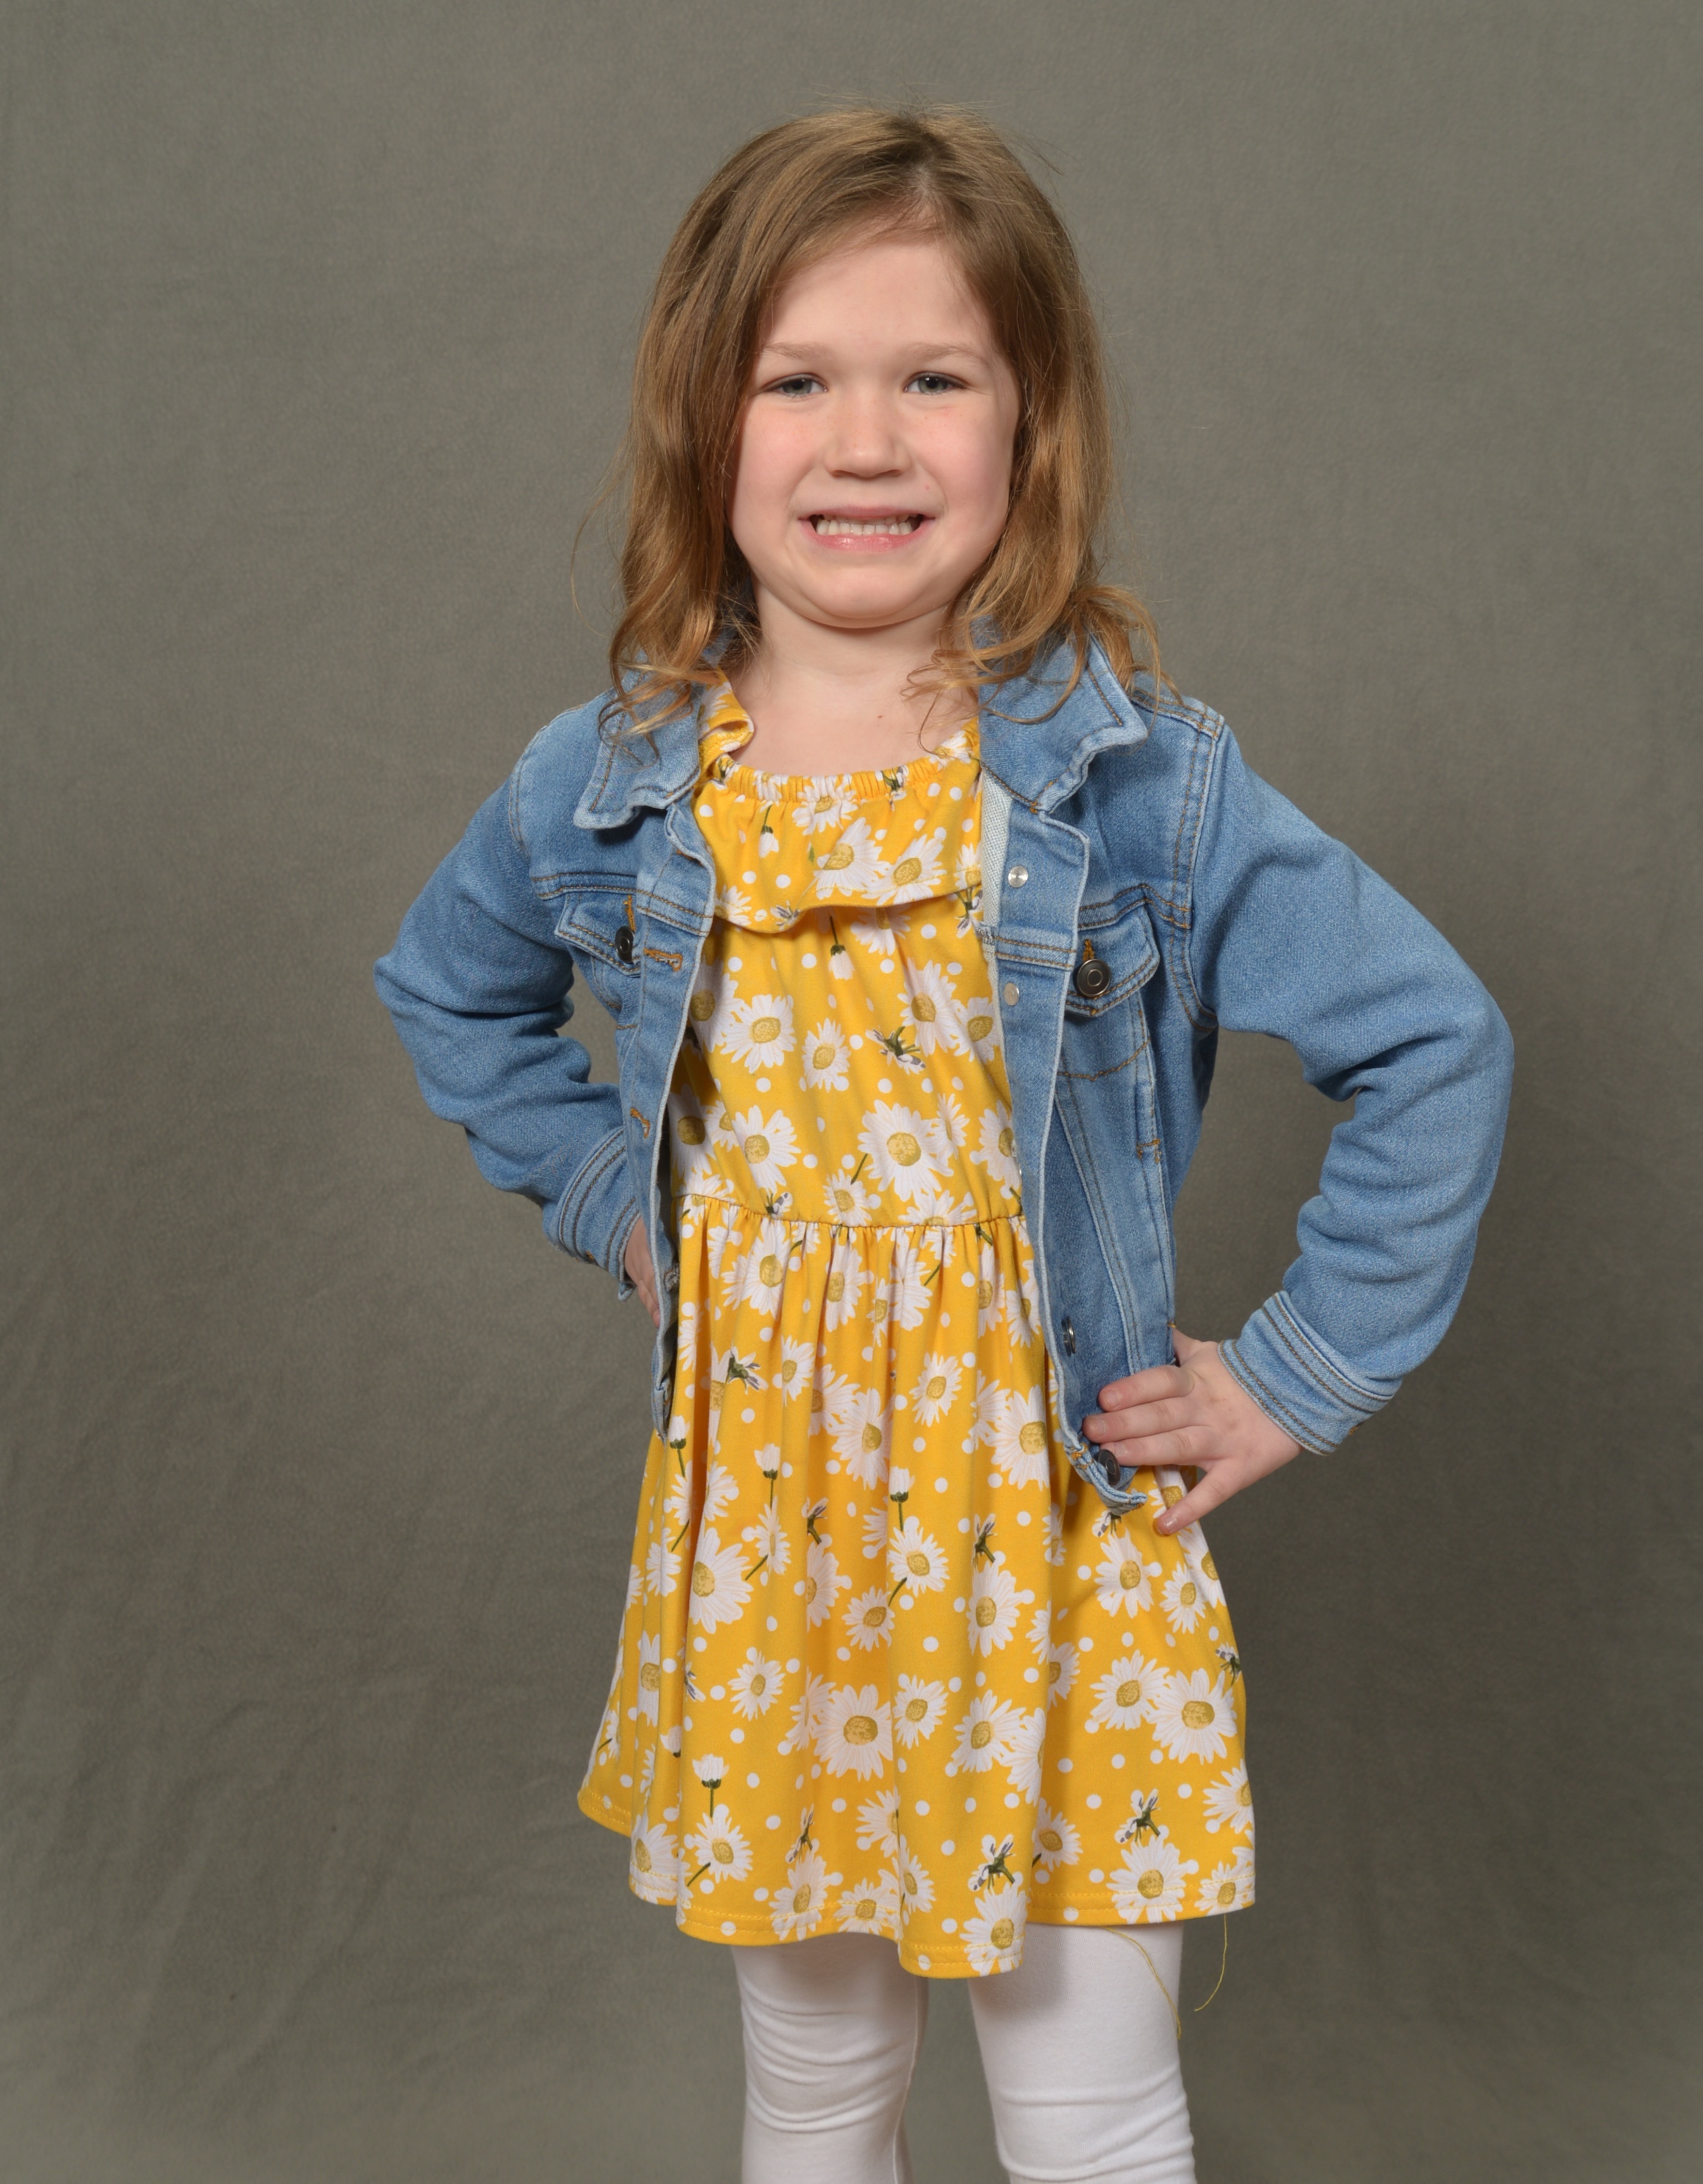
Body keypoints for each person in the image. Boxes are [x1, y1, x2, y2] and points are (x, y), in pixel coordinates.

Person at [375, 105, 1511, 2184]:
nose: (866, 442)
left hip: (1055, 1545)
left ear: (1031, 421)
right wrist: (622, 1198)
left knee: (1091, 2117)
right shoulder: (614, 784)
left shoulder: (1137, 785)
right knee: (817, 2099)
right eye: (797, 381)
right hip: (778, 1563)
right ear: (703, 418)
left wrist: (1293, 1372)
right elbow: (452, 989)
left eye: (934, 380)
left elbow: (1437, 1037)